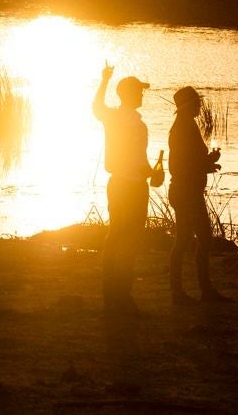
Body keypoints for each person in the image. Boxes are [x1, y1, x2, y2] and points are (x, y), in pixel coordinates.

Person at [93, 65, 164, 314]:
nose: (143, 95)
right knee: (126, 240)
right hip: (129, 186)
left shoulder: (123, 119)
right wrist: (104, 80)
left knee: (117, 238)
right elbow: (136, 159)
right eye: (140, 91)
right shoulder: (126, 120)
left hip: (125, 184)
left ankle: (113, 294)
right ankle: (120, 296)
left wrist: (152, 173)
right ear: (130, 94)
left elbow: (96, 109)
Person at [168, 86, 228, 305]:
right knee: (201, 238)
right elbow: (178, 167)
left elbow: (188, 162)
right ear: (187, 105)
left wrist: (208, 162)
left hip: (184, 190)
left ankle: (183, 291)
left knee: (184, 239)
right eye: (196, 102)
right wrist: (206, 165)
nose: (200, 106)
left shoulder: (186, 126)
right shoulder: (182, 128)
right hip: (187, 192)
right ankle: (202, 290)